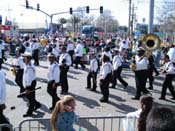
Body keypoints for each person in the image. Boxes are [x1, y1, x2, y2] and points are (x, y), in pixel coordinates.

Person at [22, 52, 41, 117]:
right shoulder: (26, 64)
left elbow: (29, 79)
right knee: (30, 97)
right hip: (29, 83)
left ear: (28, 58)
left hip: (30, 84)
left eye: (24, 57)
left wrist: (28, 88)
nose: (23, 58)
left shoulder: (29, 67)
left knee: (30, 98)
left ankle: (29, 112)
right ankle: (37, 104)